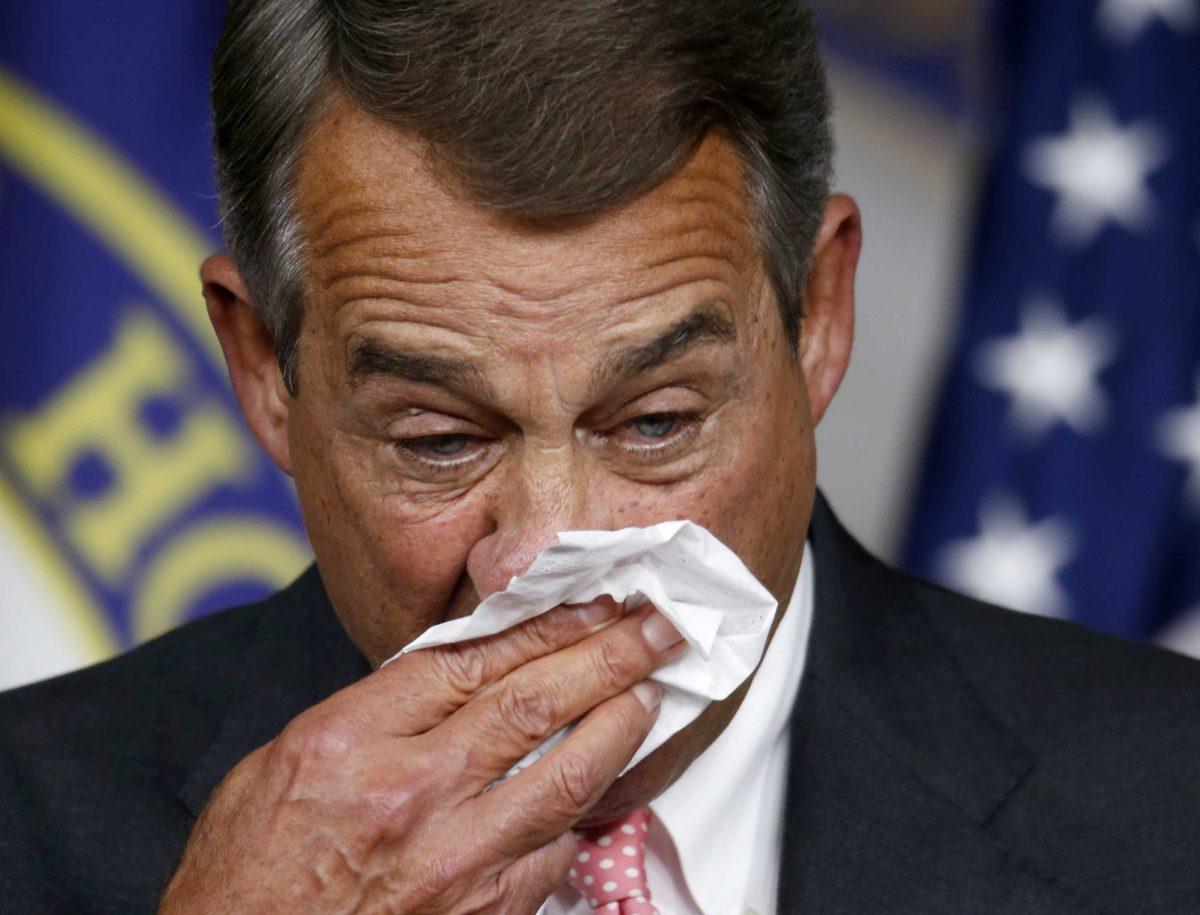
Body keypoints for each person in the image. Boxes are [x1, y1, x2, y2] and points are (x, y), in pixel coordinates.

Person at [3, 1, 1200, 912]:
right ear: (267, 370)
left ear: (819, 316)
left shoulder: (1170, 809)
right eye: (439, 441)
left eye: (657, 423)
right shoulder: (27, 825)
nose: (551, 555)